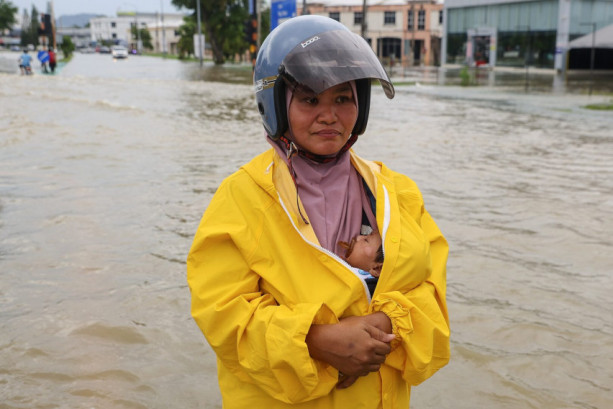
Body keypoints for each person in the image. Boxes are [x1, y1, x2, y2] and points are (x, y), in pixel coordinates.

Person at [187, 15, 450, 408]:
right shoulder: (241, 198)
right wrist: (314, 340)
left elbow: (432, 292)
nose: (329, 115)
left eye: (343, 99)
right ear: (275, 105)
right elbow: (221, 315)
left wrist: (387, 324)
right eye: (310, 99)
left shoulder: (398, 194)